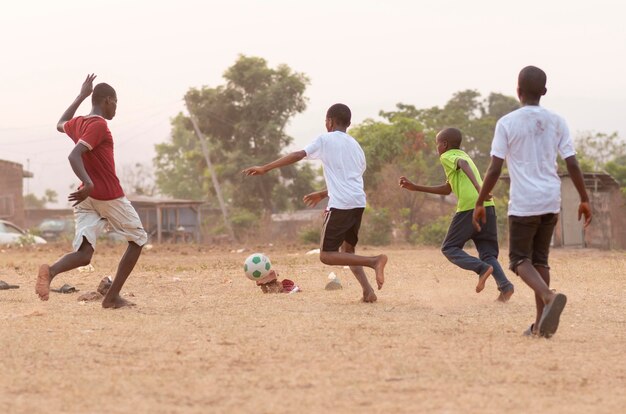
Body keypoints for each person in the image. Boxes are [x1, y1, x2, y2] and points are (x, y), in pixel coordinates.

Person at [473, 66, 592, 338]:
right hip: (551, 199)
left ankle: (549, 296)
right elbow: (571, 162)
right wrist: (584, 198)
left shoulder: (507, 123)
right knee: (540, 261)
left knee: (518, 260)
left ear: (518, 91)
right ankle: (540, 326)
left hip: (524, 202)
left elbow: (494, 169)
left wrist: (480, 201)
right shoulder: (557, 121)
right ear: (544, 92)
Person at [242, 103, 387, 303]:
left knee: (327, 255)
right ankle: (368, 291)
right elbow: (349, 179)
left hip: (341, 204)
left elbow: (298, 155)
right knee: (348, 251)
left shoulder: (325, 139)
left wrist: (265, 168)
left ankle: (374, 261)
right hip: (357, 202)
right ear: (348, 123)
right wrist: (323, 193)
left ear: (329, 121)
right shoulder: (356, 146)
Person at [35, 74, 147, 309]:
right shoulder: (98, 125)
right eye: (115, 102)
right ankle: (112, 297)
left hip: (86, 200)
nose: (116, 108)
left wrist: (80, 96)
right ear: (107, 100)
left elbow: (59, 124)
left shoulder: (79, 123)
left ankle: (51, 271)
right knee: (137, 239)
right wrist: (88, 182)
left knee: (85, 254)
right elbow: (73, 155)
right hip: (107, 195)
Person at [399, 127, 514, 302]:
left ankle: (482, 269)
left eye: (437, 144)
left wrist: (478, 187)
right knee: (488, 253)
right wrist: (416, 187)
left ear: (444, 145)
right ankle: (505, 287)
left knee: (449, 247)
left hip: (470, 207)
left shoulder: (448, 156)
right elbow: (447, 189)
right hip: (487, 205)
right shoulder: (465, 155)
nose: (437, 148)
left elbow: (462, 164)